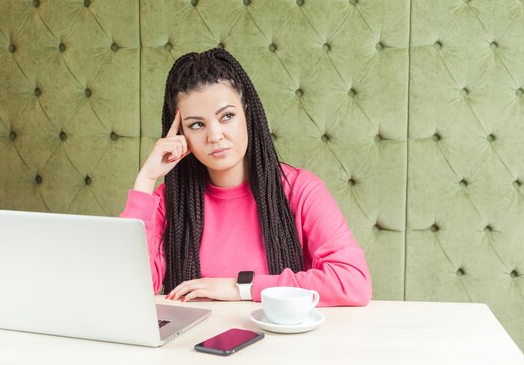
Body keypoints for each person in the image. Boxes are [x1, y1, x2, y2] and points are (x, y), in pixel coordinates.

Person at [120, 48, 372, 306]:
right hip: (191, 344)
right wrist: (146, 181)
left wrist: (241, 286)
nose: (215, 136)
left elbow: (352, 282)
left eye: (227, 116)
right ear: (180, 134)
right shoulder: (168, 201)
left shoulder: (300, 189)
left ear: (247, 114)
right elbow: (126, 290)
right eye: (197, 124)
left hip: (278, 343)